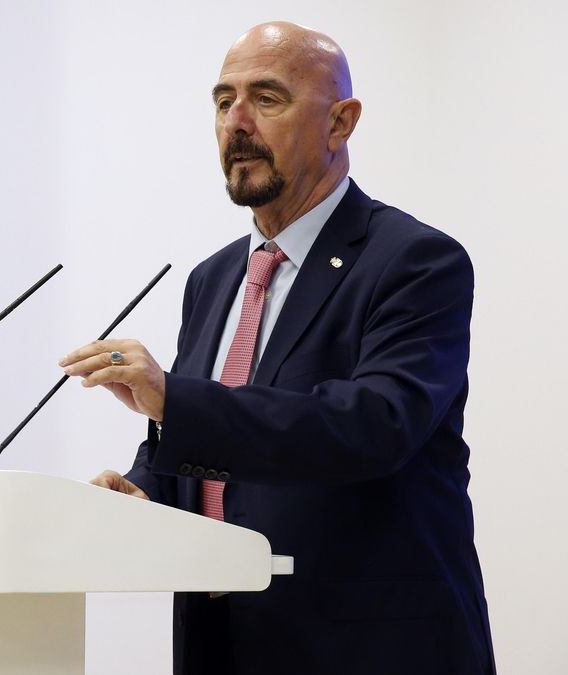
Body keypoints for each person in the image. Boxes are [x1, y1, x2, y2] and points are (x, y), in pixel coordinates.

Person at [60, 22, 495, 675]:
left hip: (366, 649)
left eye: (266, 98)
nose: (237, 121)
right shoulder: (213, 279)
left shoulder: (415, 262)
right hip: (222, 642)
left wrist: (176, 400)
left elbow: (371, 426)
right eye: (222, 101)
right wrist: (147, 492)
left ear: (340, 123)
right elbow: (204, 448)